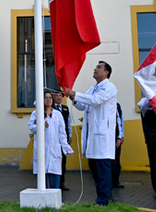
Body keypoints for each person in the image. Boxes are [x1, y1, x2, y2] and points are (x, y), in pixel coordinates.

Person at [64, 61, 118, 207]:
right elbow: (83, 105)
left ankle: (103, 200)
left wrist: (75, 94)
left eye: (99, 67)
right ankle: (100, 198)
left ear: (106, 72)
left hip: (103, 136)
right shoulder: (93, 88)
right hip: (92, 136)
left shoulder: (109, 87)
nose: (95, 69)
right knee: (94, 169)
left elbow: (95, 101)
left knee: (103, 170)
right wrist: (73, 98)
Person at [29, 91, 74, 192]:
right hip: (42, 150)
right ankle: (43, 202)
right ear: (42, 100)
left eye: (50, 98)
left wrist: (66, 148)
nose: (48, 100)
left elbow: (62, 133)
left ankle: (56, 202)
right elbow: (32, 127)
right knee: (42, 181)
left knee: (55, 180)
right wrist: (42, 127)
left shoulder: (58, 114)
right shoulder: (36, 113)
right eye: (46, 98)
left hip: (55, 150)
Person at [52, 90, 72, 191]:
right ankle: (54, 182)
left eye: (61, 96)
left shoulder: (65, 108)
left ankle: (62, 182)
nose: (59, 98)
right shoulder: (51, 108)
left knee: (63, 161)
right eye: (57, 96)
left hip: (64, 137)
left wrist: (70, 135)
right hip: (54, 138)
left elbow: (68, 123)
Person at [111, 102, 124, 189]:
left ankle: (116, 180)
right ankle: (110, 181)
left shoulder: (117, 106)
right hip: (108, 137)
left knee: (117, 160)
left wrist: (121, 136)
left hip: (116, 136)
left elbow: (120, 121)